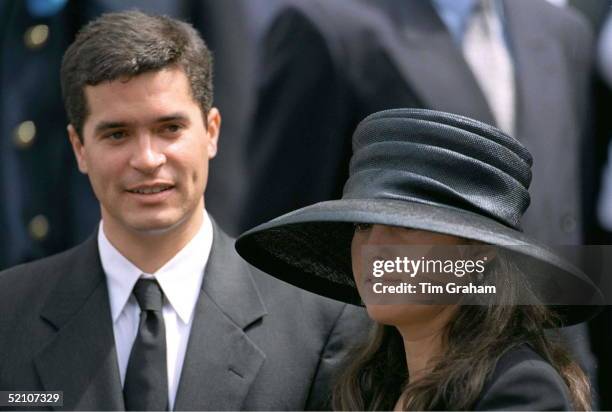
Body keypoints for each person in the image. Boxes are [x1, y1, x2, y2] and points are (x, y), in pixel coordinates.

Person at [0, 11, 368, 410]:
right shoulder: (9, 314)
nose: (147, 158)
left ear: (211, 132)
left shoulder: (320, 322)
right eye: (117, 134)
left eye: (169, 128)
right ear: (79, 148)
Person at [236, 109, 603, 410]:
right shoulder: (368, 385)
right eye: (363, 225)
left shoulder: (519, 384)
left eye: (406, 227)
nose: (375, 246)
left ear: (477, 253)